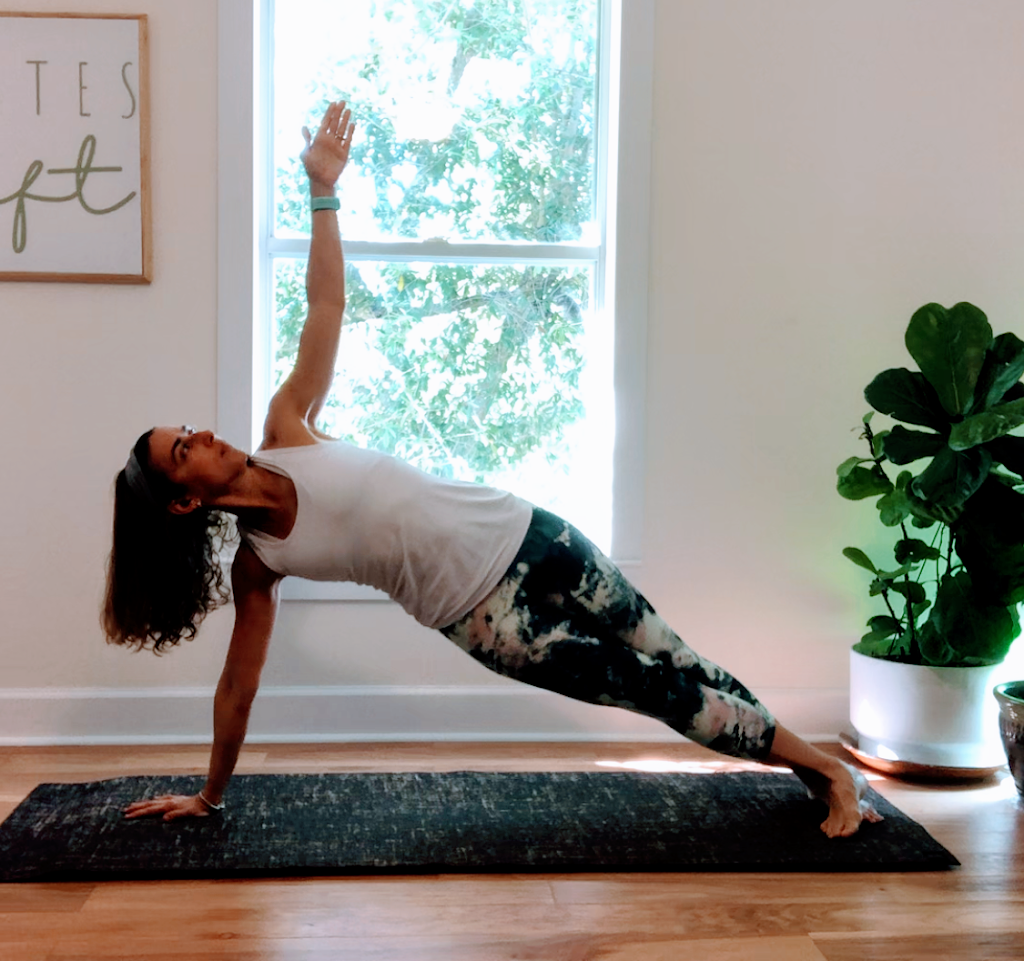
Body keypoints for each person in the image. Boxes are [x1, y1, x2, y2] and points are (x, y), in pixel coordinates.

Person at [108, 100, 882, 838]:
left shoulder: (288, 425)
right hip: (491, 621)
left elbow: (326, 307)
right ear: (182, 503)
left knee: (675, 657)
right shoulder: (259, 565)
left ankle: (815, 774)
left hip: (530, 530)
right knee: (655, 690)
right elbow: (238, 688)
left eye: (189, 430)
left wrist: (322, 192)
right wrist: (209, 795)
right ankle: (829, 770)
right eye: (184, 449)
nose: (203, 435)